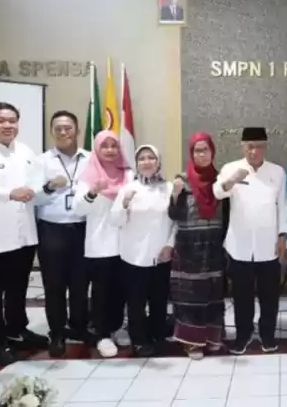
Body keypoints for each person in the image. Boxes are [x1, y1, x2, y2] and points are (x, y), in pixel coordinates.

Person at [0, 102, 49, 365]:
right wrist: (8, 193)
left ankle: (17, 330)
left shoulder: (26, 151)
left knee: (18, 288)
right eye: (1, 120)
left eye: (12, 120)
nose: (8, 125)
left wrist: (45, 189)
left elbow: (36, 184)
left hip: (24, 234)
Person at [214, 127, 287, 355]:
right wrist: (232, 181)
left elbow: (283, 205)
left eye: (258, 146)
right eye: (249, 146)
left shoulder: (277, 172)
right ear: (242, 146)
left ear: (265, 147)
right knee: (241, 296)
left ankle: (267, 335)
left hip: (269, 244)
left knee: (270, 295)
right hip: (239, 245)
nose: (253, 151)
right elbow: (218, 192)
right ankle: (243, 336)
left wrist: (283, 235)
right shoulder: (231, 168)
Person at [34, 110, 91, 357]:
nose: (63, 132)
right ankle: (57, 331)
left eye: (68, 127)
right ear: (52, 132)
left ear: (77, 130)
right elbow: (32, 197)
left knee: (80, 283)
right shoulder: (41, 161)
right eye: (58, 128)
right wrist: (49, 187)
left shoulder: (90, 159)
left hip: (83, 228)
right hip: (52, 229)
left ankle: (79, 326)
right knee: (54, 284)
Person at [111, 145, 176, 357]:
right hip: (133, 256)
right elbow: (116, 221)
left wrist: (170, 245)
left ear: (158, 162)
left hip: (161, 255)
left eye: (151, 158)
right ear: (136, 164)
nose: (146, 162)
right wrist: (124, 203)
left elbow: (176, 220)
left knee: (159, 300)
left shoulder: (168, 188)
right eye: (142, 159)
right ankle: (139, 340)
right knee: (136, 302)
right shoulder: (128, 189)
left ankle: (158, 335)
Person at [74, 130, 132, 358]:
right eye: (104, 146)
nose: (109, 150)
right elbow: (78, 209)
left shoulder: (128, 174)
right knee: (101, 292)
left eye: (113, 146)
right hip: (100, 243)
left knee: (121, 289)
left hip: (126, 243)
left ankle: (117, 327)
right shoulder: (88, 175)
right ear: (97, 149)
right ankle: (102, 334)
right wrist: (92, 192)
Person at [169, 133, 227, 359]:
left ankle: (213, 338)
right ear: (191, 153)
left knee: (213, 292)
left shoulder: (221, 180)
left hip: (214, 244)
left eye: (205, 150)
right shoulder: (182, 180)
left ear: (213, 152)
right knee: (190, 296)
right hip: (189, 247)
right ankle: (191, 343)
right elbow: (173, 214)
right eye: (197, 150)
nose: (202, 155)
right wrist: (175, 195)